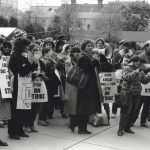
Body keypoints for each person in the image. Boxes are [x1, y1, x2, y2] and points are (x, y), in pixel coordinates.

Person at [8, 37, 38, 140]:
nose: (28, 48)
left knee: (22, 109)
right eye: (26, 45)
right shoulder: (15, 57)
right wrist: (31, 63)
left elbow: (30, 69)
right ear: (21, 46)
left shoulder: (23, 57)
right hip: (16, 86)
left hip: (24, 86)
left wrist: (35, 61)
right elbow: (23, 71)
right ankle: (12, 132)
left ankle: (20, 130)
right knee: (15, 110)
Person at [118, 55, 150, 136]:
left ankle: (127, 127)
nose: (138, 62)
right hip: (127, 93)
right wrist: (137, 71)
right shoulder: (127, 68)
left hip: (137, 93)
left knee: (133, 112)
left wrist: (149, 76)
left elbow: (144, 81)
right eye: (136, 61)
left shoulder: (140, 70)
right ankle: (120, 129)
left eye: (139, 61)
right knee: (125, 112)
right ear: (132, 61)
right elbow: (127, 77)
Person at [76, 40, 101, 134]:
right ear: (83, 47)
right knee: (83, 108)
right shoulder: (82, 57)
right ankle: (81, 128)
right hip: (84, 86)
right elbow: (87, 70)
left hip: (90, 86)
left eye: (91, 46)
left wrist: (97, 61)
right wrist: (94, 61)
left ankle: (83, 128)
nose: (90, 47)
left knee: (88, 108)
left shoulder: (90, 56)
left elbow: (97, 69)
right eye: (88, 46)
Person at [37, 47, 61, 126]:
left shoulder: (50, 59)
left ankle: (44, 118)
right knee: (45, 102)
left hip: (51, 83)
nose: (52, 52)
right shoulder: (43, 60)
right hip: (47, 83)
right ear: (45, 52)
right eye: (50, 51)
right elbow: (46, 72)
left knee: (48, 102)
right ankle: (41, 119)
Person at [64, 46, 81, 132]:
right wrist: (75, 65)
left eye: (79, 51)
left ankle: (75, 122)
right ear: (72, 53)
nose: (77, 53)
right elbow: (68, 72)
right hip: (70, 83)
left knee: (77, 103)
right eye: (76, 52)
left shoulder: (81, 61)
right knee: (71, 103)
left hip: (78, 83)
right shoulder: (68, 61)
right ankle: (72, 122)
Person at [136, 40, 150, 127]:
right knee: (138, 103)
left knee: (147, 104)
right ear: (146, 47)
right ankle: (132, 120)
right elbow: (137, 69)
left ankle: (143, 121)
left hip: (149, 83)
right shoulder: (140, 56)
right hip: (141, 82)